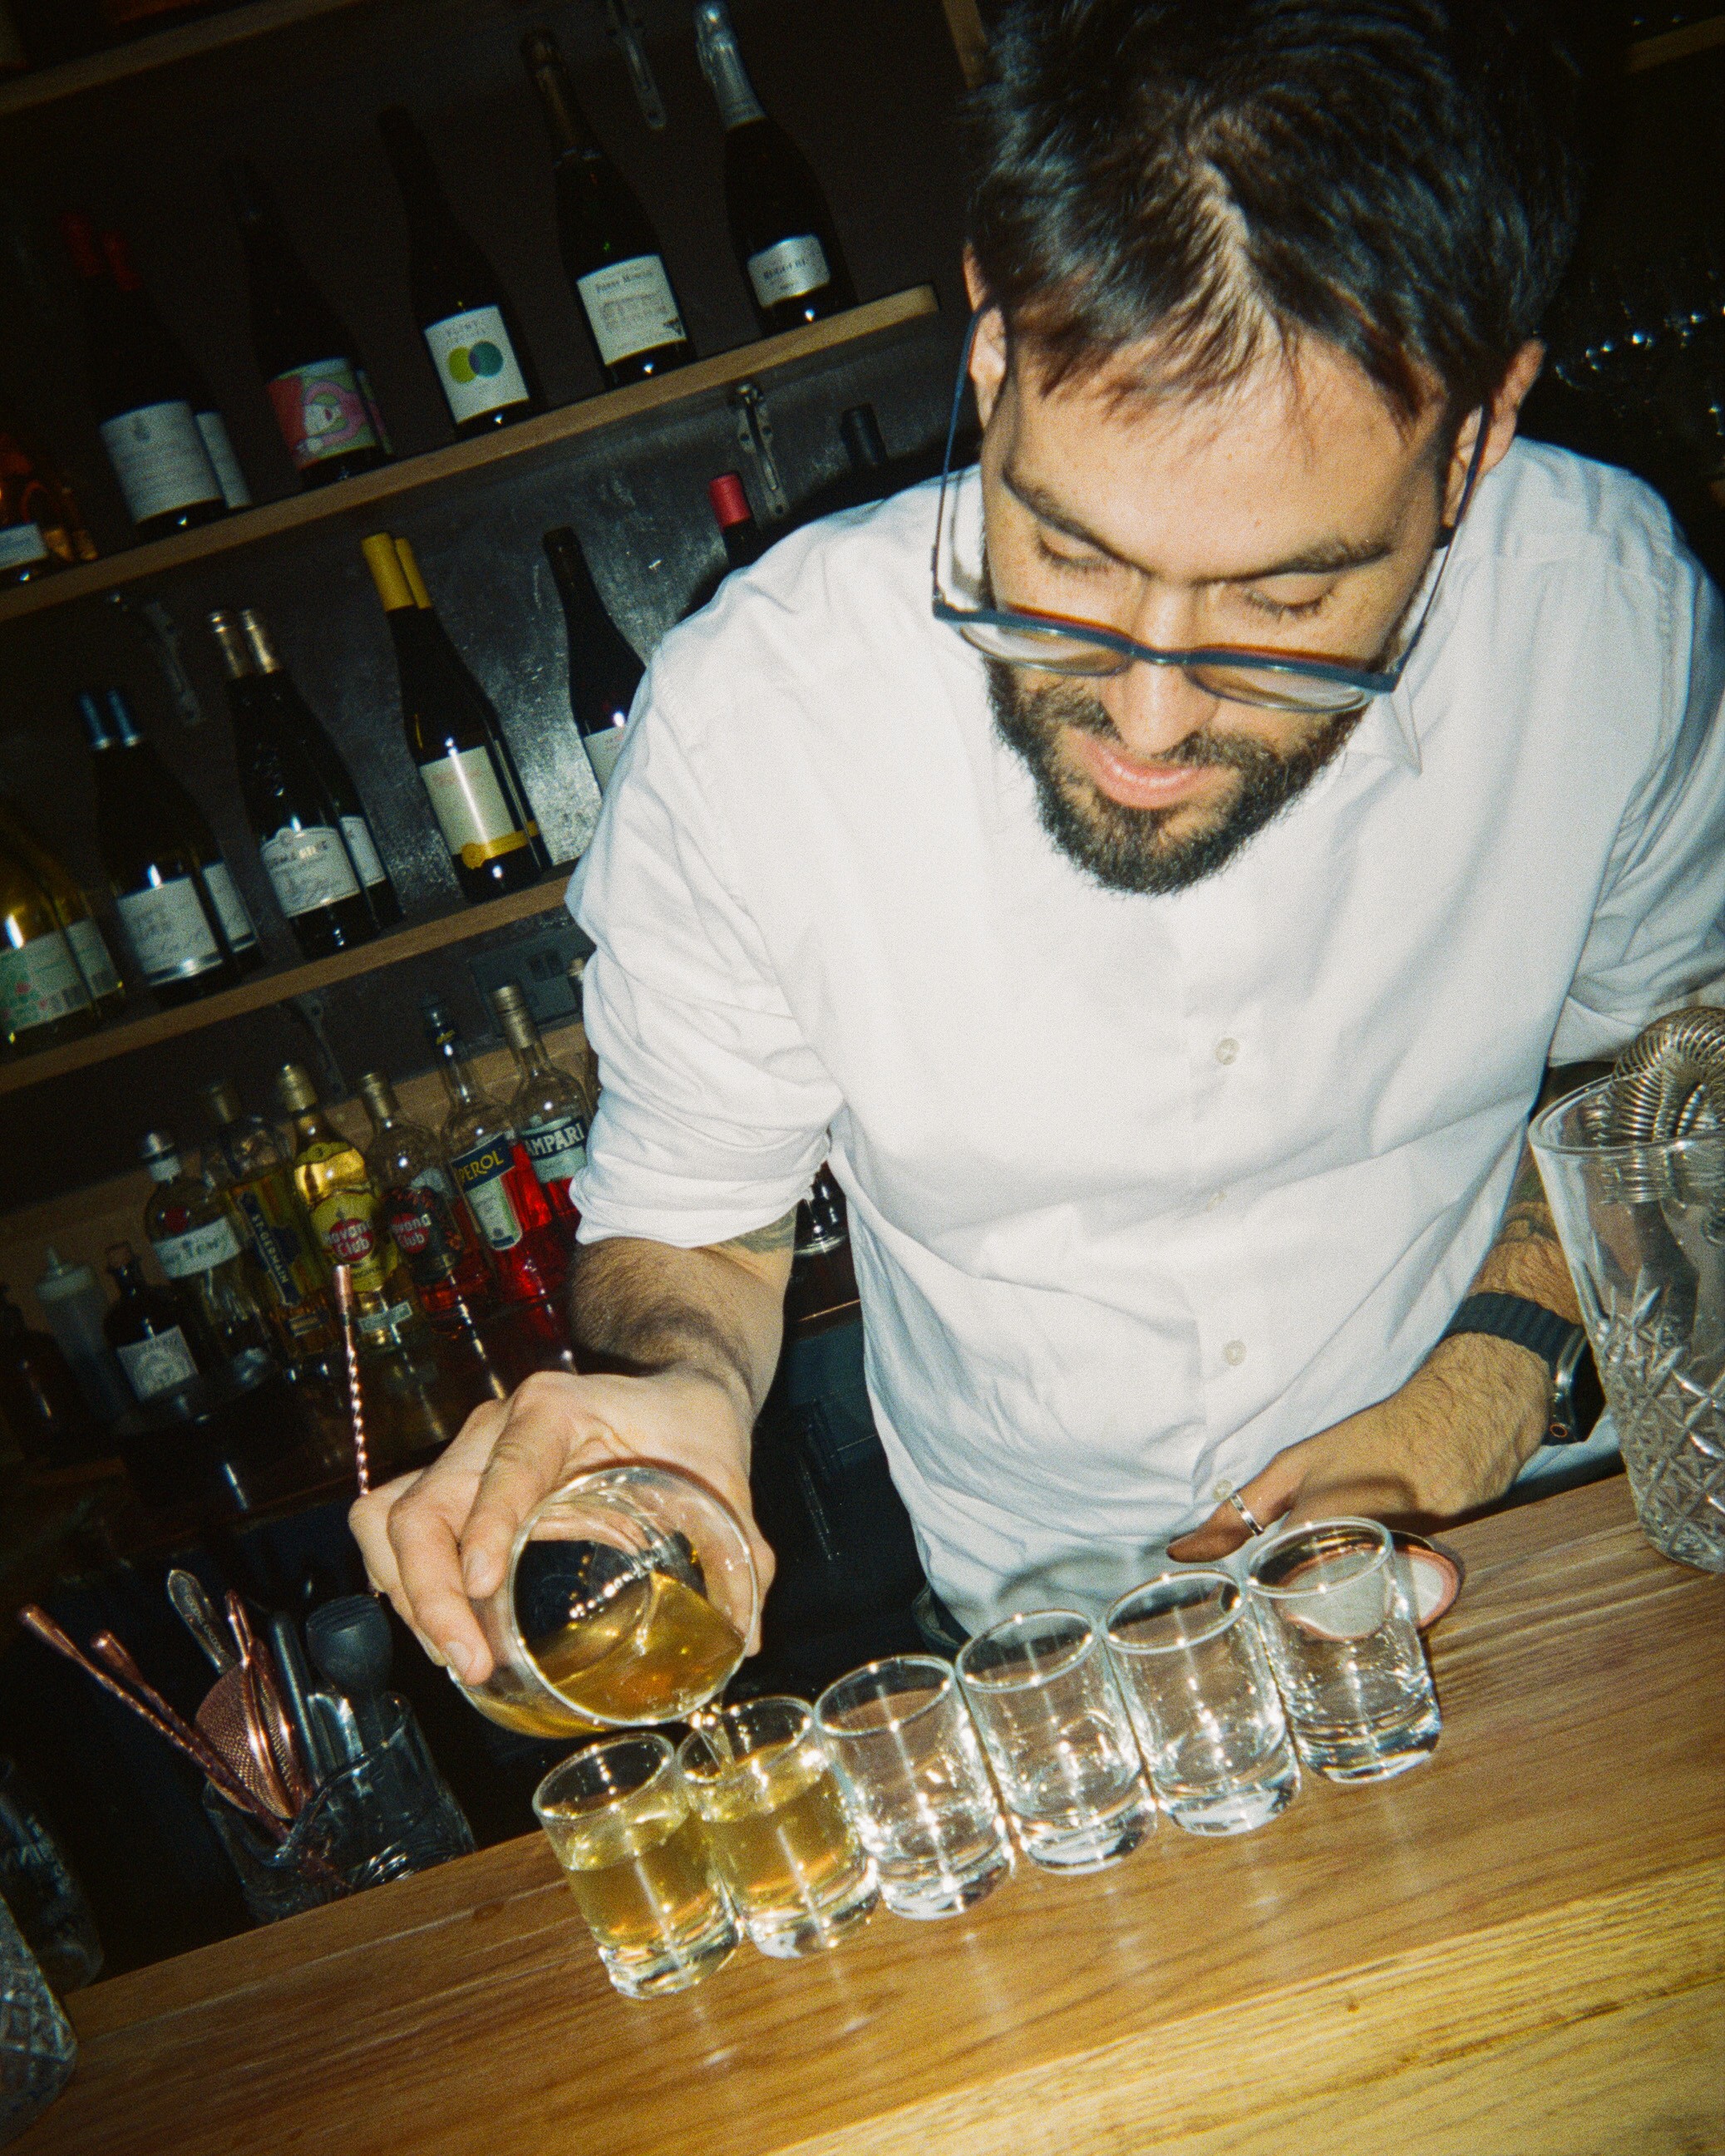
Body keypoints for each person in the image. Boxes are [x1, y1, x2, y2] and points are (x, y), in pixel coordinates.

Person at [355, 0, 1725, 1676]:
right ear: (993, 349)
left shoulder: (1609, 615)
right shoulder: (757, 715)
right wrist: (673, 1394)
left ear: (1480, 440)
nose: (1149, 725)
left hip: (1527, 1533)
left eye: (1286, 602)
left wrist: (1497, 1367)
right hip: (1067, 1642)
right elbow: (696, 1218)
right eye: (1067, 559)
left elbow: (1678, 1038)